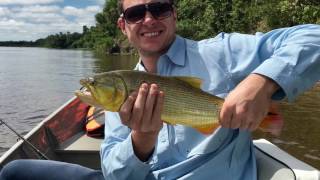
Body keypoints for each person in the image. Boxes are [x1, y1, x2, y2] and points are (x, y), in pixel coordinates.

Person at [1, 0, 319, 179]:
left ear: (174, 15)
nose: (149, 18)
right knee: (15, 172)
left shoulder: (222, 53)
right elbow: (115, 173)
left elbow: (312, 37)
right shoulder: (122, 91)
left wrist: (262, 82)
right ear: (124, 26)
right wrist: (141, 140)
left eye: (159, 8)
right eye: (136, 13)